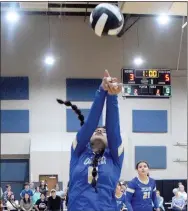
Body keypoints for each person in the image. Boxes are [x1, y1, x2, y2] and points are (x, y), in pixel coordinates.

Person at [57, 70, 124, 211]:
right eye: (96, 130)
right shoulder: (78, 153)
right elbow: (89, 125)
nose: (99, 130)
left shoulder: (114, 158)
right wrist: (102, 91)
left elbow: (113, 130)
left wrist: (112, 96)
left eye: (103, 131)